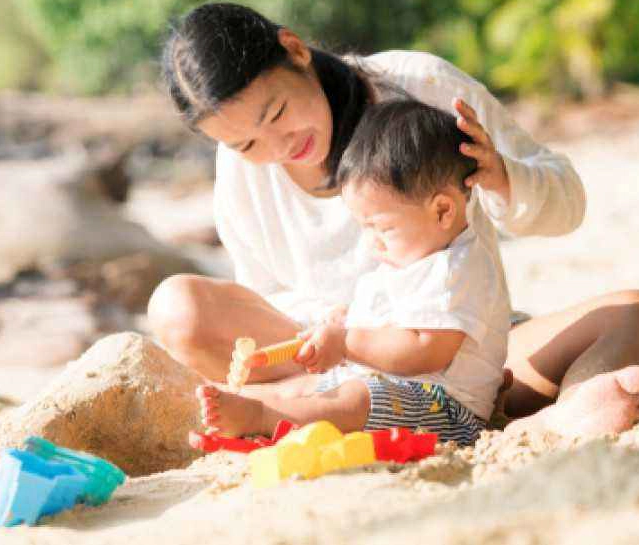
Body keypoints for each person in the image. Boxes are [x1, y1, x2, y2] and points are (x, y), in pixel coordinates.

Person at [152, 2, 639, 438]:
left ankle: (570, 412)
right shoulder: (240, 171)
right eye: (246, 143)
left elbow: (567, 202)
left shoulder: (416, 83)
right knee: (179, 307)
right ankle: (309, 405)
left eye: (276, 114)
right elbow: (262, 299)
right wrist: (350, 335)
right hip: (335, 361)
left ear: (295, 50)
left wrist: (503, 177)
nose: (279, 146)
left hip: (467, 354)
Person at [197, 99, 509, 445]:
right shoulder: (411, 256)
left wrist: (347, 343)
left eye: (382, 228)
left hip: (448, 410)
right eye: (365, 227)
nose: (372, 243)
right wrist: (343, 323)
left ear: (442, 210)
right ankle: (249, 408)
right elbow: (390, 320)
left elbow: (426, 350)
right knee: (306, 387)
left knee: (355, 399)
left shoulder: (456, 267)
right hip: (392, 388)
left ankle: (263, 417)